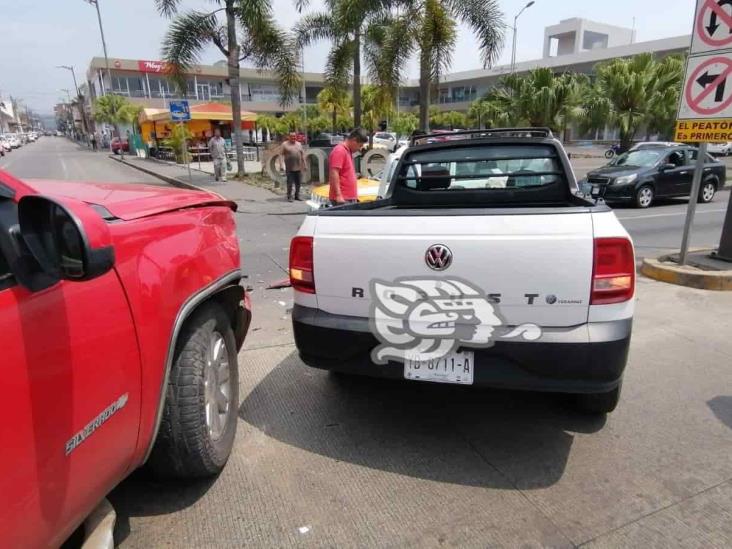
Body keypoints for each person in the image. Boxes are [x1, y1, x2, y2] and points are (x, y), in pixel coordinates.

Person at [328, 128, 368, 206]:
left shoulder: (347, 151)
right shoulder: (340, 151)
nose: (359, 149)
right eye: (360, 145)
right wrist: (338, 195)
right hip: (343, 199)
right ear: (354, 140)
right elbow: (334, 173)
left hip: (348, 198)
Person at [280, 132, 306, 201]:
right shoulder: (284, 144)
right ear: (289, 137)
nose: (293, 138)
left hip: (298, 167)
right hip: (289, 167)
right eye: (292, 136)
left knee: (298, 183)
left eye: (294, 136)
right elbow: (281, 155)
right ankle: (289, 196)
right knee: (290, 183)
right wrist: (281, 164)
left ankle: (297, 196)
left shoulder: (299, 144)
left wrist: (305, 164)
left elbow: (302, 154)